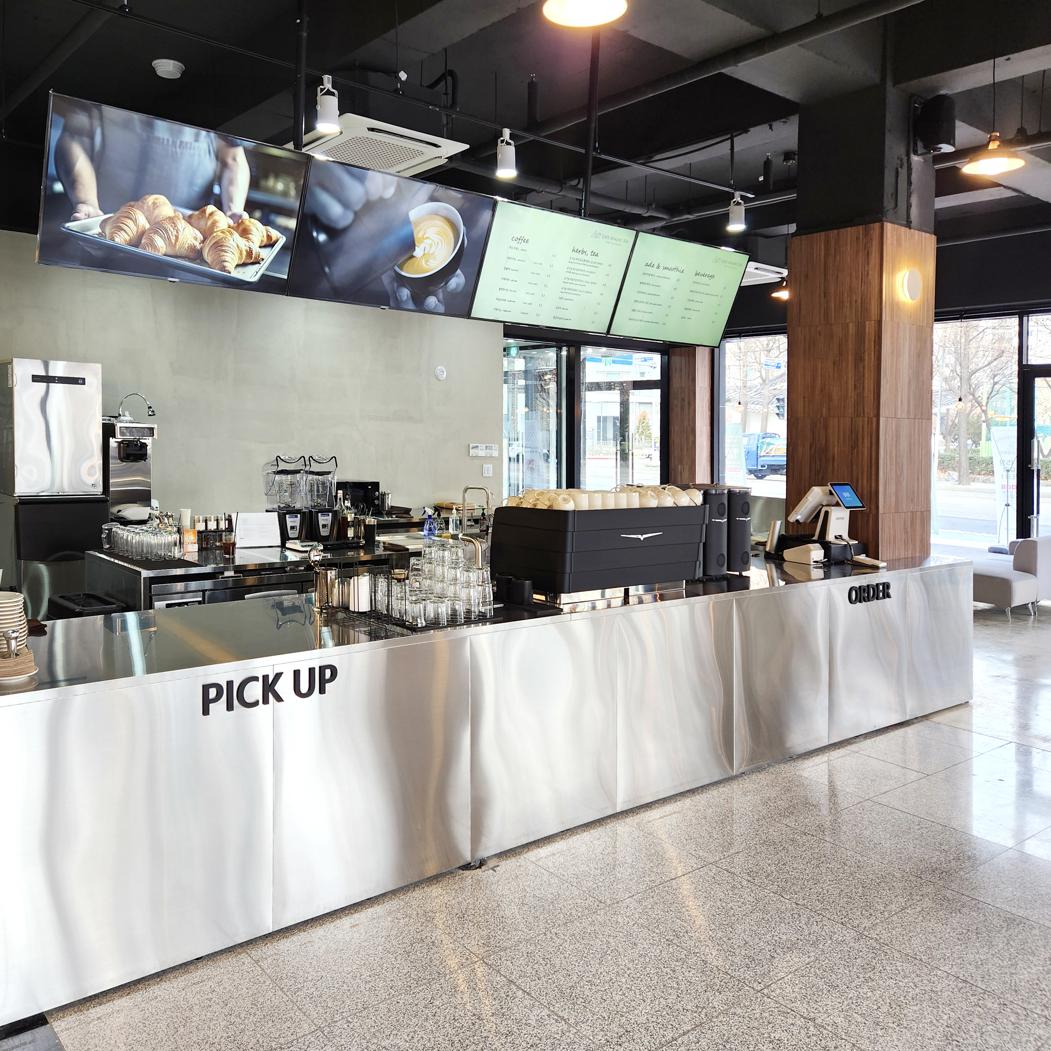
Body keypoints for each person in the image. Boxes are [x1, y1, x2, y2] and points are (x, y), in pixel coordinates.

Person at [54, 101, 250, 221]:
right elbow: (75, 138)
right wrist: (86, 202)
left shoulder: (218, 90)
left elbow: (233, 159)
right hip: (103, 231)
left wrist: (232, 211)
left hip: (192, 249)